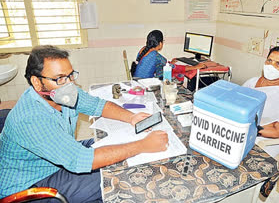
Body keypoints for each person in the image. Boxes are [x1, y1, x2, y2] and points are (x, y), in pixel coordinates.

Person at [0, 45, 169, 202]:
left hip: (55, 159)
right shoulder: (31, 118)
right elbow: (81, 160)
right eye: (59, 79)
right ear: (37, 82)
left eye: (70, 75)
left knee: (120, 146)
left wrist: (131, 117)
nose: (69, 84)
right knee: (118, 180)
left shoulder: (61, 92)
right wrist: (142, 145)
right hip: (32, 184)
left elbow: (97, 105)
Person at [243, 46, 279, 157]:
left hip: (265, 140)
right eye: (269, 60)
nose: (271, 66)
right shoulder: (253, 82)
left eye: (278, 64)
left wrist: (248, 128)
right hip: (246, 126)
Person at [131, 30, 207, 81]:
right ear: (160, 43)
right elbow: (175, 68)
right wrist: (195, 67)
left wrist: (170, 63)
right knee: (177, 75)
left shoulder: (143, 49)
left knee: (163, 69)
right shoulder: (155, 55)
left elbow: (161, 64)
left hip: (136, 80)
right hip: (144, 84)